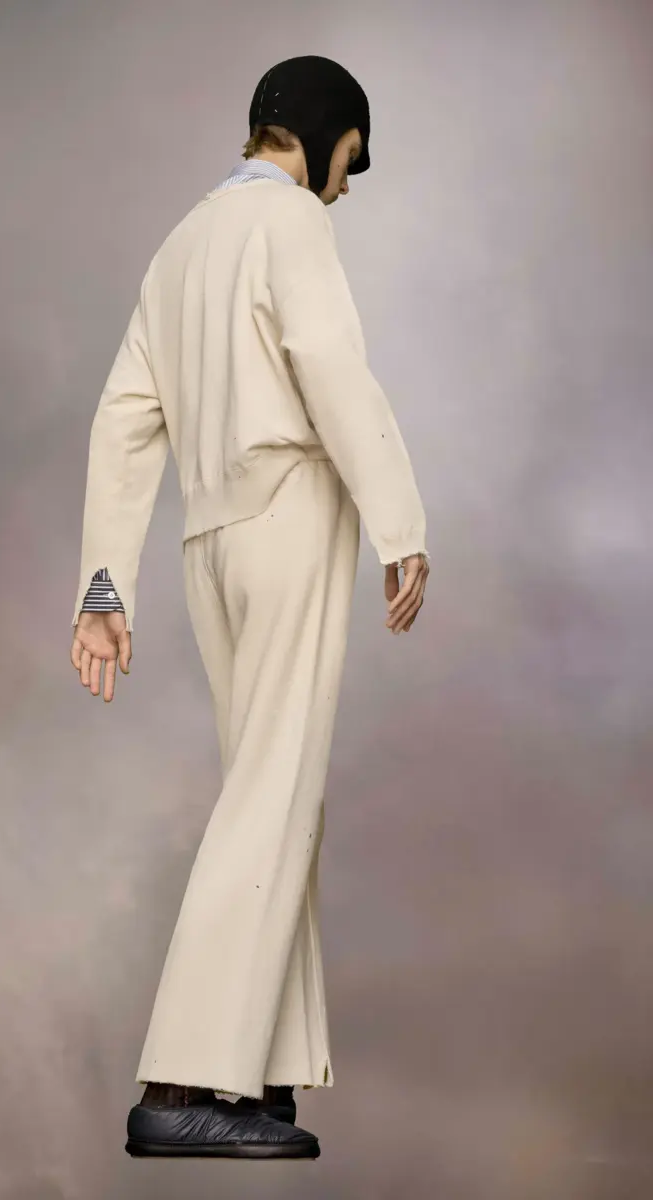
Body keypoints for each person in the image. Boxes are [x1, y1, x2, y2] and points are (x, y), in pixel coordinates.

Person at [69, 55, 430, 1159]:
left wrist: (102, 586)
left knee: (268, 789)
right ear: (318, 136)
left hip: (208, 544)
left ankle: (262, 1066)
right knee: (271, 796)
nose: (345, 186)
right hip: (287, 518)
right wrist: (400, 521)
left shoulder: (181, 243)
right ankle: (178, 1084)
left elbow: (124, 415)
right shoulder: (290, 222)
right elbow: (328, 363)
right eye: (348, 160)